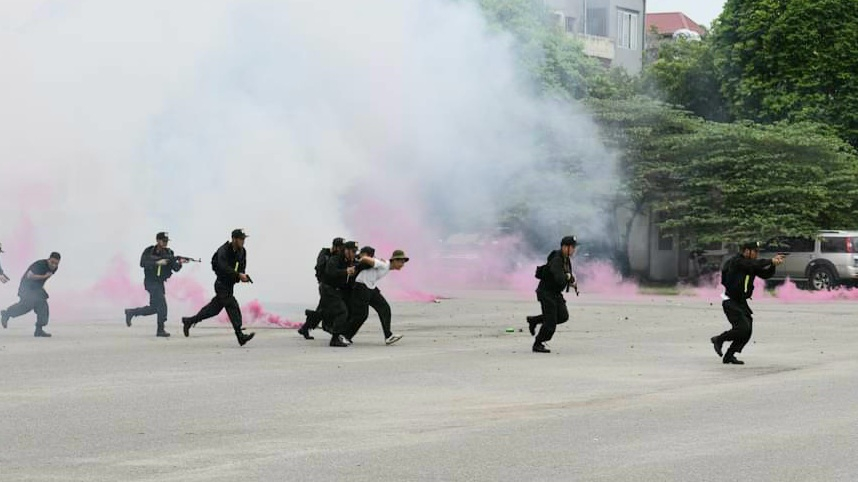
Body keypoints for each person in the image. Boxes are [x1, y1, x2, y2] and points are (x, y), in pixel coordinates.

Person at [711, 241, 785, 365]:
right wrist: (770, 261)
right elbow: (753, 263)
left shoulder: (750, 265)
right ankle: (719, 339)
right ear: (746, 251)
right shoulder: (737, 261)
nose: (757, 254)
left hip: (741, 302)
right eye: (755, 251)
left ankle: (729, 356)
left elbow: (765, 274)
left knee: (747, 330)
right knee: (742, 328)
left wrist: (773, 265)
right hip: (730, 300)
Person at [182, 229, 255, 346]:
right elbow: (222, 266)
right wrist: (238, 275)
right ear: (234, 239)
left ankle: (189, 321)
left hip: (229, 285)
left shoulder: (242, 251)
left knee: (213, 310)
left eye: (244, 239)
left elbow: (242, 266)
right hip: (221, 284)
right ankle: (240, 335)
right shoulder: (223, 250)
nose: (243, 241)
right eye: (241, 239)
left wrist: (243, 275)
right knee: (232, 305)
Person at [124, 232, 188, 337]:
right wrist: (157, 262)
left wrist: (180, 263)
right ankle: (160, 330)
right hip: (150, 282)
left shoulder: (169, 252)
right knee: (162, 305)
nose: (166, 243)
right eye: (164, 240)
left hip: (159, 283)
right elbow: (142, 263)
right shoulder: (149, 250)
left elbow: (175, 268)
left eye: (167, 241)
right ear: (158, 240)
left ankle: (131, 312)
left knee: (154, 308)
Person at [344, 247, 408, 345]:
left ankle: (388, 336)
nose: (403, 265)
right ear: (394, 260)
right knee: (361, 315)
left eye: (404, 262)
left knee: (384, 308)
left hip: (370, 288)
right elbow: (366, 259)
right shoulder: (384, 265)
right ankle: (344, 336)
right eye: (401, 262)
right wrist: (361, 259)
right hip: (361, 287)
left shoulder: (386, 266)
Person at [527, 236, 577, 353]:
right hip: (546, 293)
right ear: (565, 247)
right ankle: (538, 343)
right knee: (550, 322)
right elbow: (559, 277)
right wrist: (567, 277)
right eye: (573, 247)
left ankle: (534, 320)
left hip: (555, 293)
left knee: (563, 316)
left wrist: (571, 281)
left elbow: (568, 274)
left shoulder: (566, 259)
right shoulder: (557, 259)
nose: (574, 250)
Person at [1, 252, 61, 337]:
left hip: (37, 289)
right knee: (26, 306)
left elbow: (43, 280)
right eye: (52, 262)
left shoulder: (54, 268)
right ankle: (6, 314)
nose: (53, 265)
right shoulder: (40, 264)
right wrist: (44, 277)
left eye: (56, 263)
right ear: (48, 259)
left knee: (42, 306)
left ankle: (38, 330)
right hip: (26, 287)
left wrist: (42, 288)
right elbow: (30, 276)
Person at [298, 237, 344, 340]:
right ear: (335, 246)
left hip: (330, 287)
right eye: (340, 247)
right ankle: (310, 325)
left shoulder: (337, 256)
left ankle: (305, 328)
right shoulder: (325, 253)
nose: (341, 250)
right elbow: (319, 267)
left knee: (322, 309)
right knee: (323, 309)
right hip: (325, 286)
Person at [321, 240, 358, 347]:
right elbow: (330, 272)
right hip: (328, 289)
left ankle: (336, 333)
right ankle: (334, 339)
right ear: (346, 251)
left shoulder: (349, 260)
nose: (354, 254)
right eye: (353, 251)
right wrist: (346, 271)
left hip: (338, 289)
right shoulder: (335, 259)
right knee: (342, 312)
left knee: (348, 310)